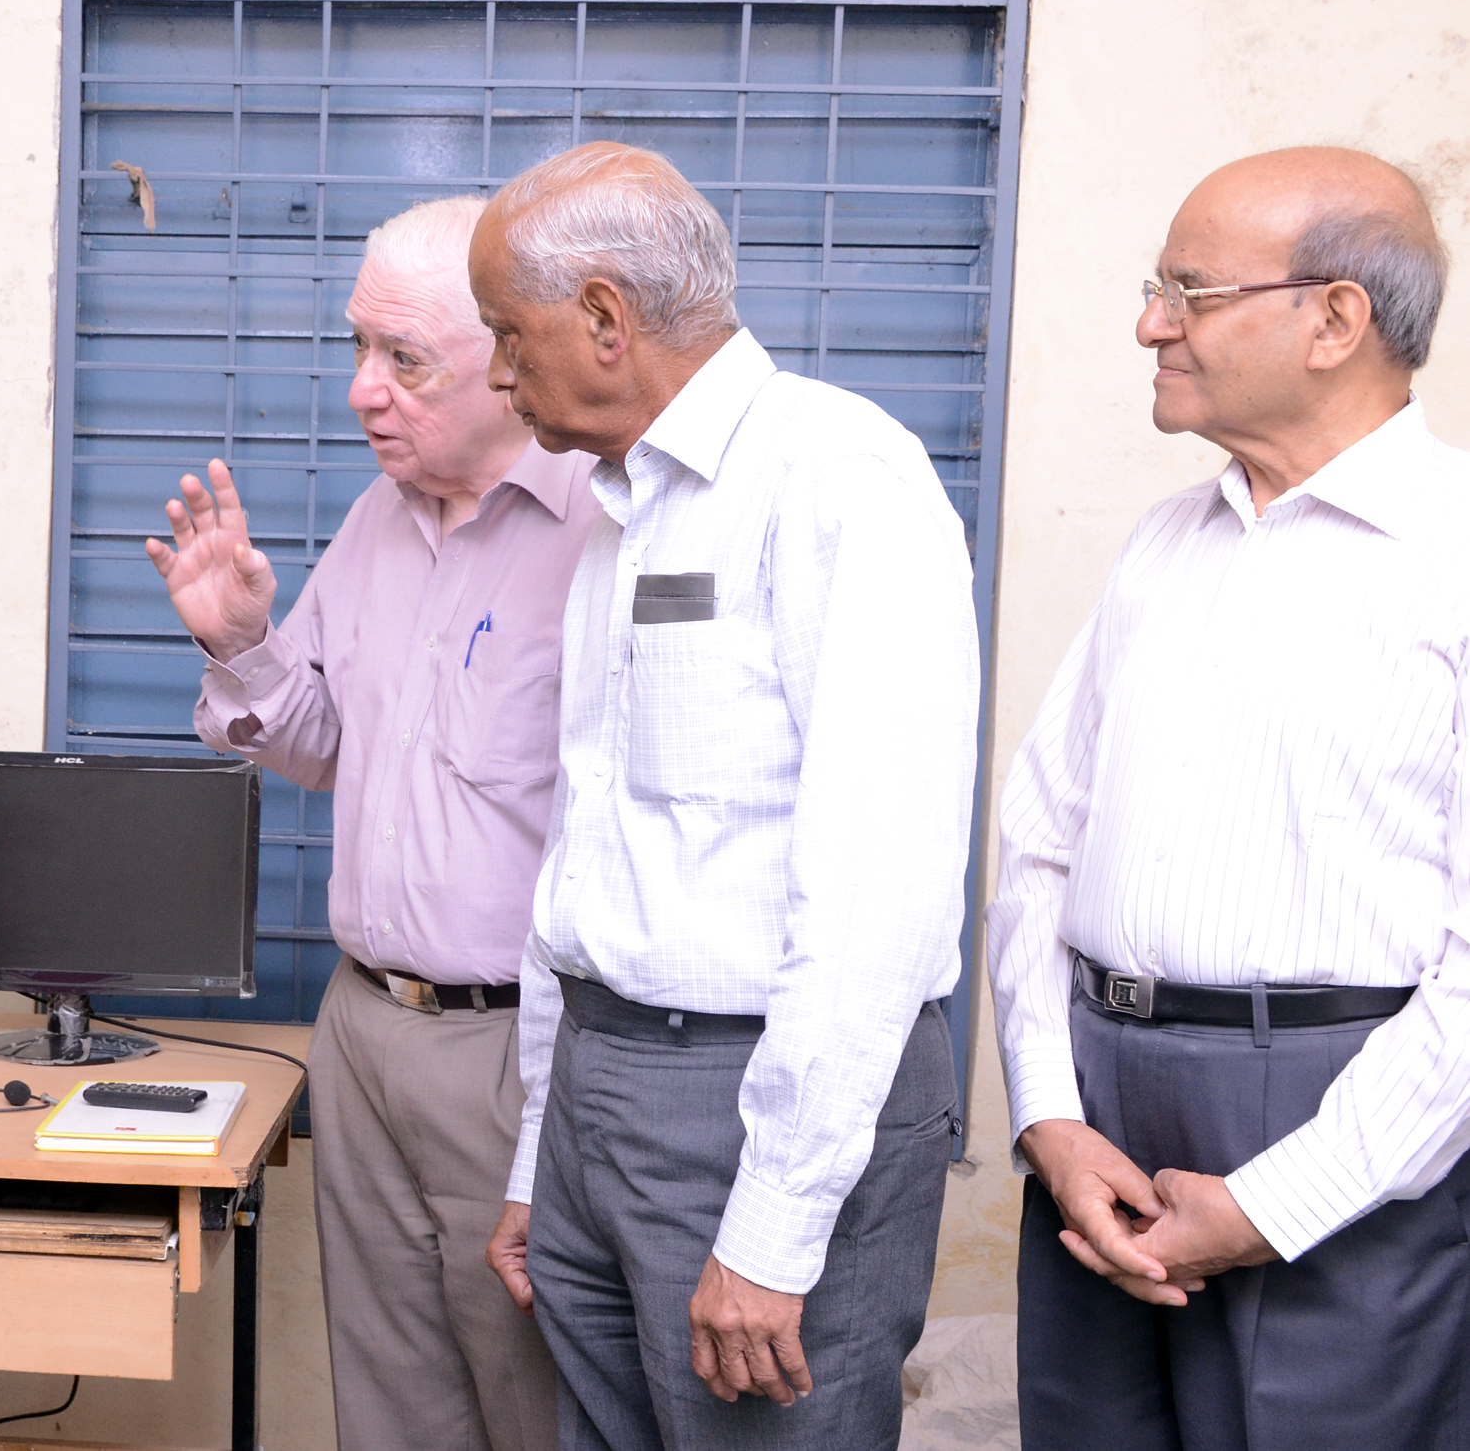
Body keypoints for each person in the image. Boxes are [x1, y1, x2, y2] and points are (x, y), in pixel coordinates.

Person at [473, 142, 980, 1450]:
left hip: (757, 1104)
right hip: (599, 1091)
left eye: (507, 334)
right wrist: (542, 1158)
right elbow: (592, 847)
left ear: (604, 316)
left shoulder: (838, 479)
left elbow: (881, 892)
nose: (496, 374)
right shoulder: (623, 509)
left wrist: (774, 1227)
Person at [987, 146, 1467, 1449]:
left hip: (1346, 1127)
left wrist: (1275, 1203)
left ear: (1335, 319)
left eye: (1187, 292)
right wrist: (1049, 1117)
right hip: (1098, 1121)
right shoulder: (1163, 546)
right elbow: (1037, 851)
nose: (1151, 324)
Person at [145, 196, 594, 1451]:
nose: (362, 391)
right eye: (358, 347)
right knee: (389, 1399)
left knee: (534, 1395)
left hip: (519, 1046)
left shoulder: (605, 528)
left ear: (509, 355)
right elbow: (323, 747)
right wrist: (240, 643)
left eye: (406, 359)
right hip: (362, 1027)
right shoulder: (376, 521)